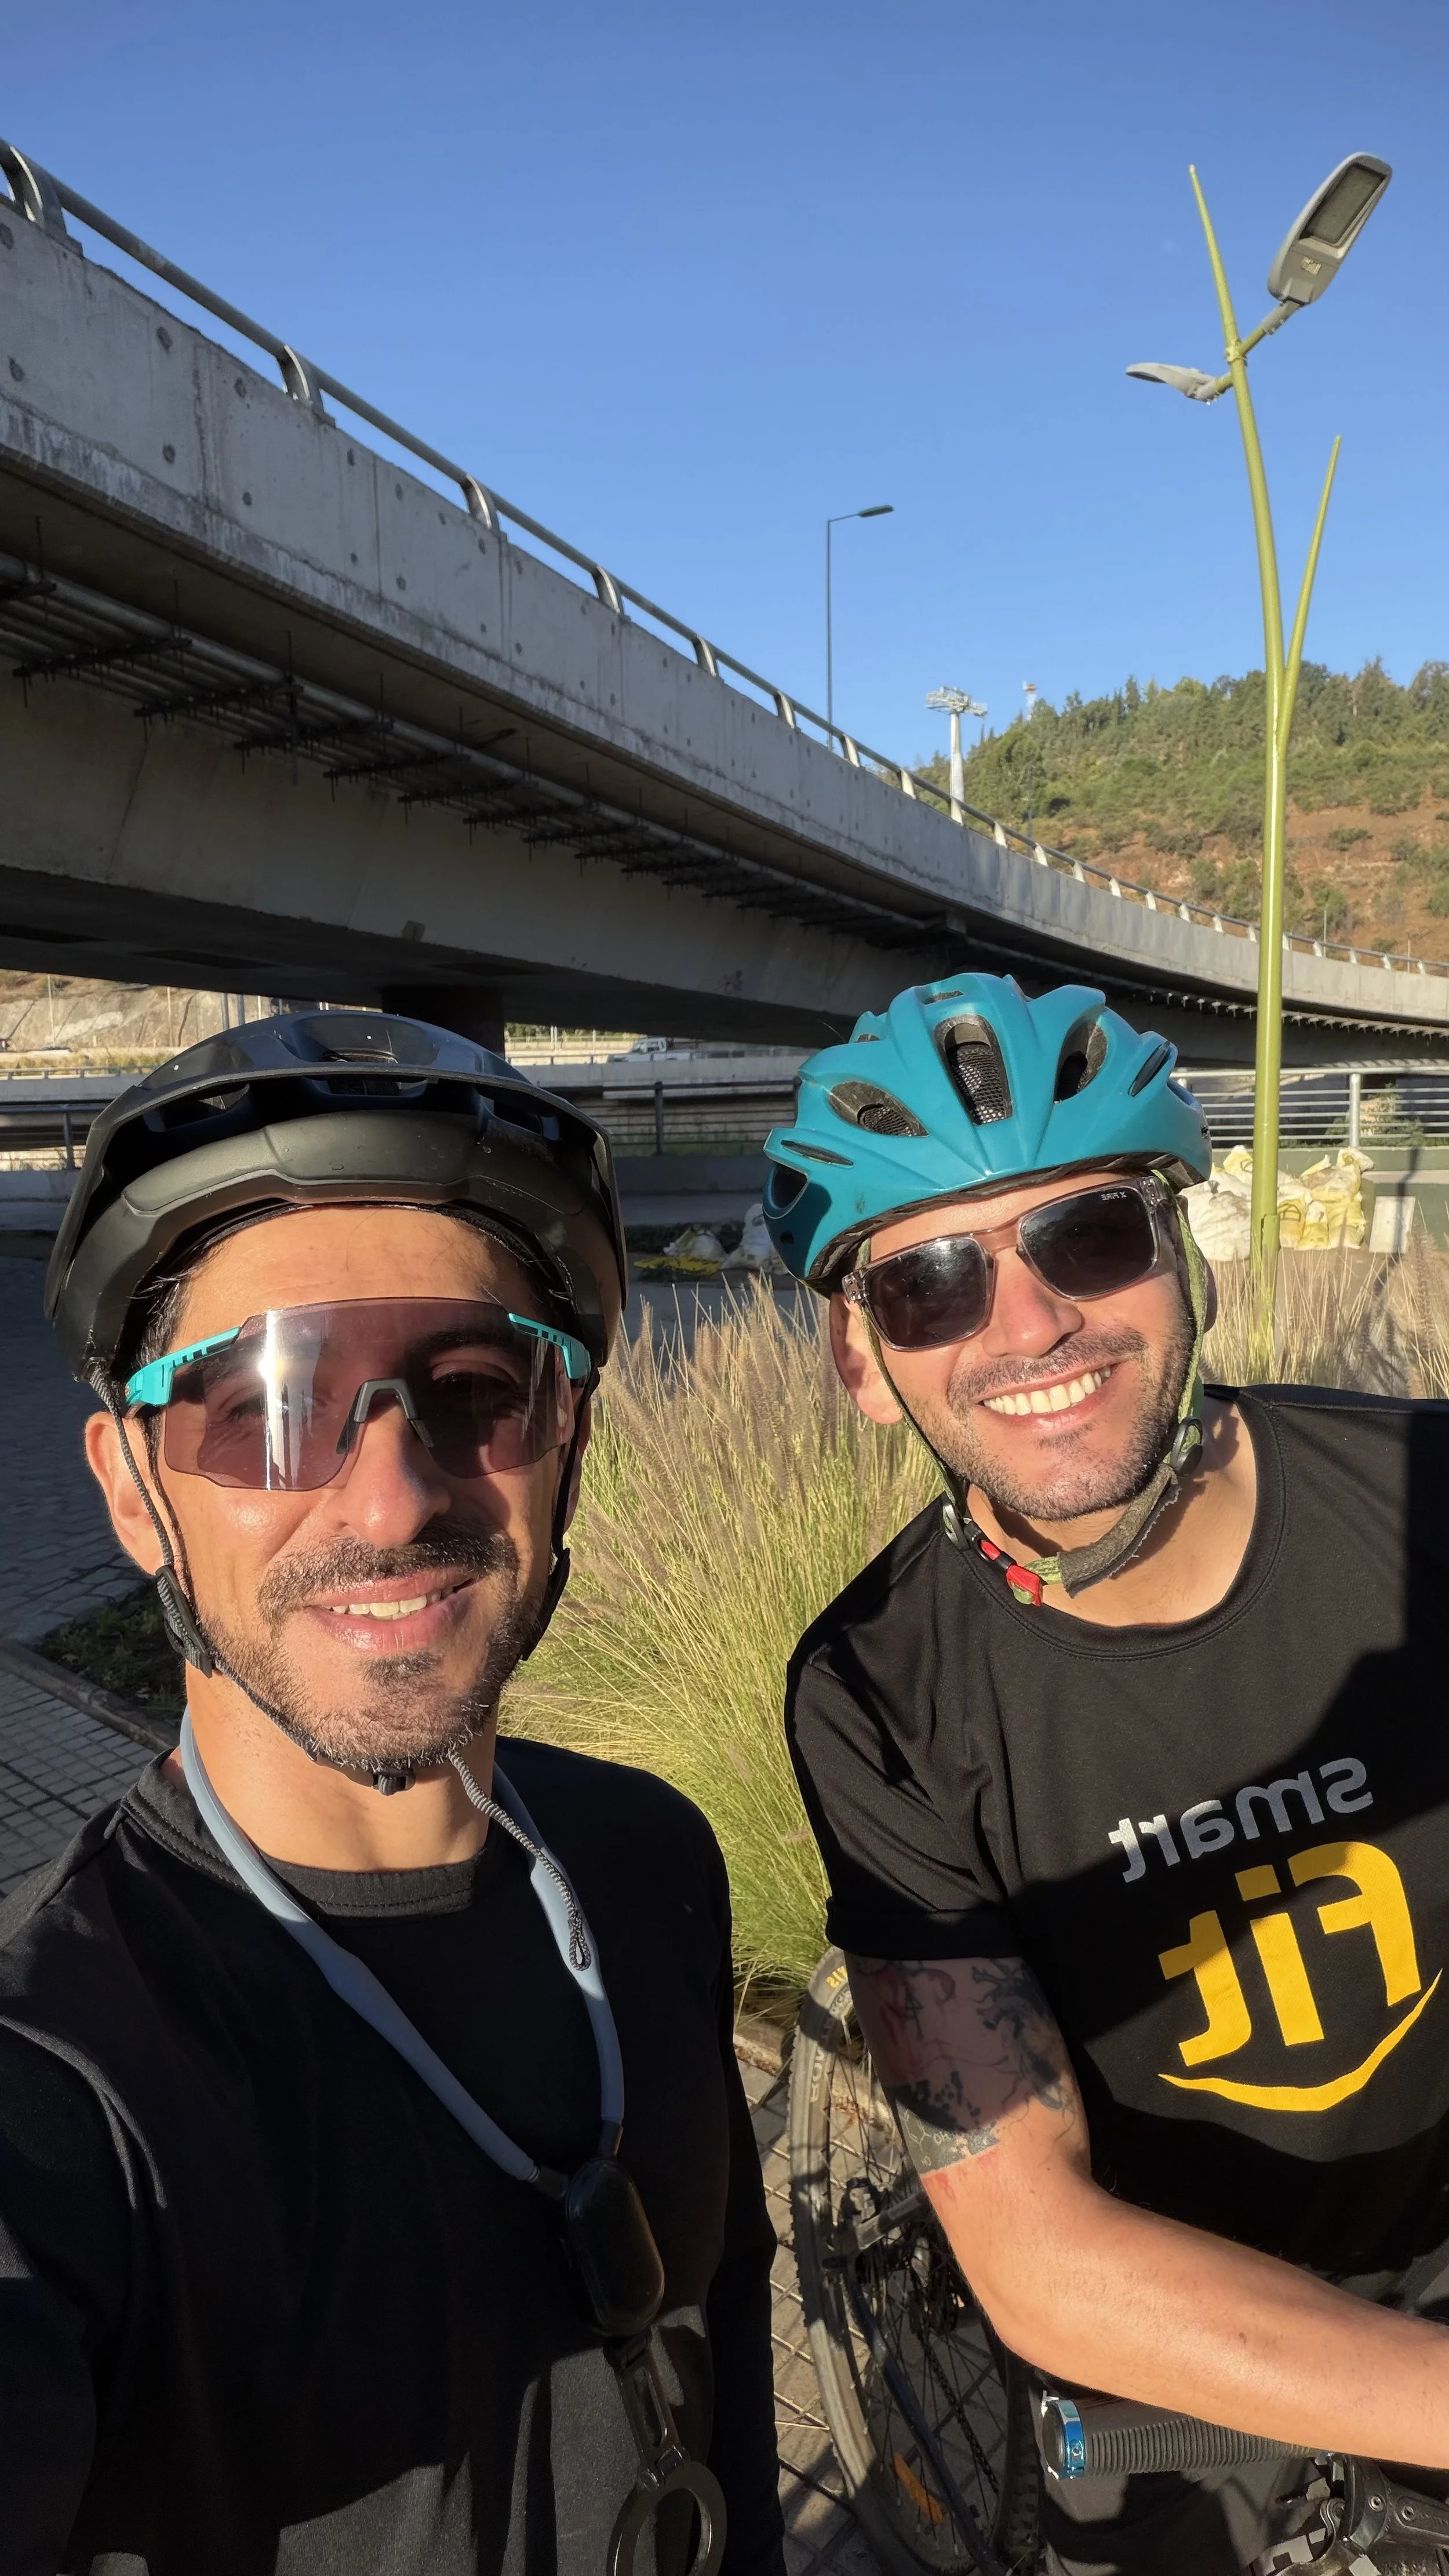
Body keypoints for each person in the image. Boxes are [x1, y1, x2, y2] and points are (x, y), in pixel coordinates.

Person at [0, 1009, 783, 2576]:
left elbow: (728, 2404)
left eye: (475, 1383)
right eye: (266, 1402)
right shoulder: (59, 2063)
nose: (396, 1491)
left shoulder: (651, 1862)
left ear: (565, 1437)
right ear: (130, 1490)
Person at [765, 973, 1449, 2575]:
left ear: (1181, 1255)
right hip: (1163, 2358)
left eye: (1087, 1235)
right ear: (864, 1361)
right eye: (931, 1283)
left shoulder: (1422, 1503)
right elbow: (1043, 2254)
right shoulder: (876, 1689)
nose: (1029, 1324)